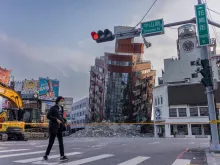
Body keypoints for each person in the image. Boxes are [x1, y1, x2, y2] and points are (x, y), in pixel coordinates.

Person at [43, 96, 69, 162]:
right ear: (58, 101)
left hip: (60, 128)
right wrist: (56, 119)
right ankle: (46, 155)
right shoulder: (53, 108)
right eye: (61, 101)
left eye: (63, 101)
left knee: (61, 142)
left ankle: (62, 156)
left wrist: (65, 121)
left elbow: (61, 117)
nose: (62, 102)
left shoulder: (61, 108)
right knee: (51, 142)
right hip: (54, 127)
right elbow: (48, 116)